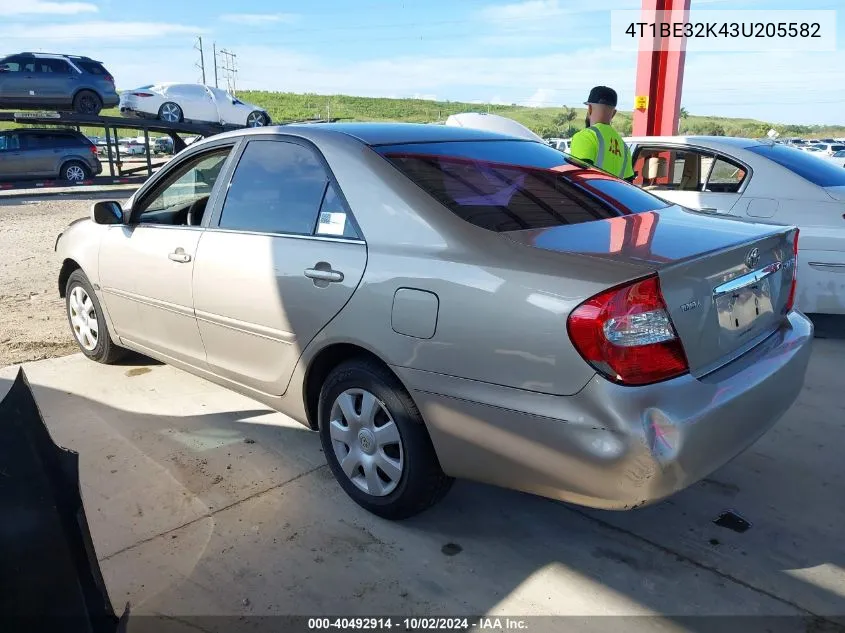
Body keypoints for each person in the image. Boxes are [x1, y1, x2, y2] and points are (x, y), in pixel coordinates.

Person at [569, 86, 634, 182]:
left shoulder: (585, 137)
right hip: (611, 197)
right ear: (614, 113)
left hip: (590, 196)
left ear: (589, 109)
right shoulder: (624, 148)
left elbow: (578, 178)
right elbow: (629, 183)